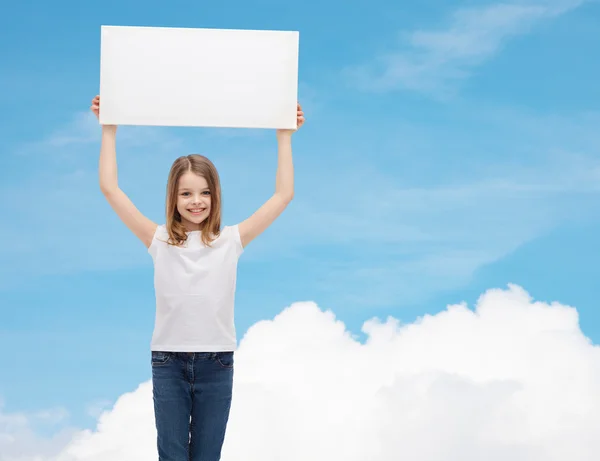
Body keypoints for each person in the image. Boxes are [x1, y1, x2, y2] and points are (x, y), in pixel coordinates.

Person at [90, 95, 304, 461]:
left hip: (216, 363)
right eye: (186, 193)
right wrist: (109, 128)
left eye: (204, 192)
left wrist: (284, 136)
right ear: (173, 197)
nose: (196, 201)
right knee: (172, 456)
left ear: (215, 195)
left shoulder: (231, 240)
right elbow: (111, 189)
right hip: (168, 363)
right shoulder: (157, 239)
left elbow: (283, 195)